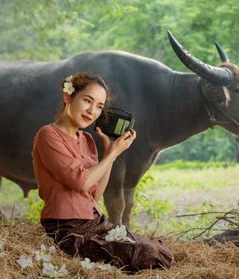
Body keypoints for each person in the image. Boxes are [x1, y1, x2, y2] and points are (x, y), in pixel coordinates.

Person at [32, 72, 173, 271]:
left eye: (99, 106)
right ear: (68, 97)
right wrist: (112, 153)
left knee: (159, 250)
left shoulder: (87, 140)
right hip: (68, 228)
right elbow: (80, 182)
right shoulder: (48, 135)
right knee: (149, 257)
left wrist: (110, 154)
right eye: (87, 101)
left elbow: (94, 194)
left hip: (95, 222)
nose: (92, 111)